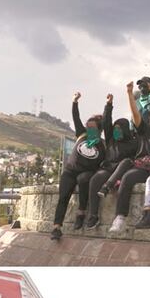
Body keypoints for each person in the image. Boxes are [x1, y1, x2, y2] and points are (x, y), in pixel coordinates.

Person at [108, 81, 150, 233]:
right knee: (128, 176)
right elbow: (136, 115)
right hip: (142, 166)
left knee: (129, 175)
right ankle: (120, 217)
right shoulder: (146, 129)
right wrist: (129, 94)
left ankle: (122, 215)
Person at [50, 92, 107, 240]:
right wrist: (75, 101)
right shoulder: (82, 134)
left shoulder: (102, 145)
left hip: (86, 172)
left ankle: (81, 212)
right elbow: (76, 117)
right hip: (70, 171)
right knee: (63, 196)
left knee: (83, 180)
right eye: (88, 126)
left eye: (92, 127)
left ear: (99, 130)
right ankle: (56, 227)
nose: (88, 129)